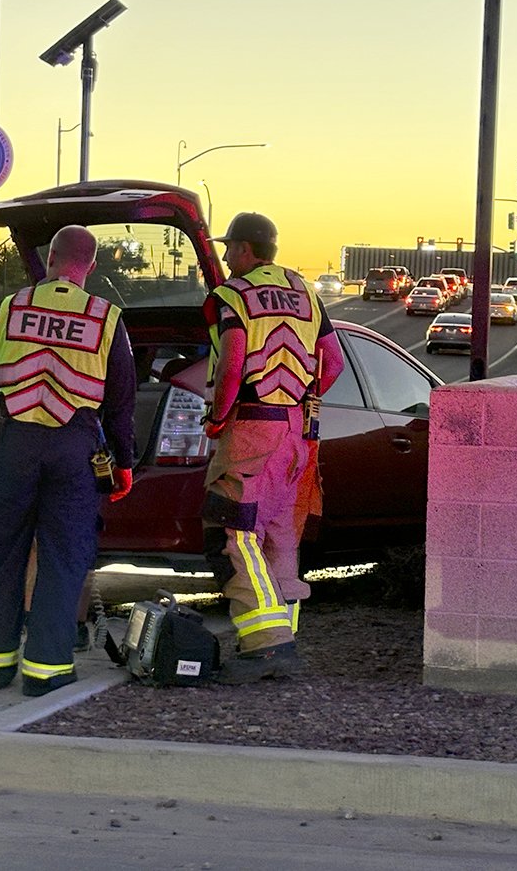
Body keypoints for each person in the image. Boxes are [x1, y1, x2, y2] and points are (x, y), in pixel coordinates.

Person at [0, 225, 136, 697]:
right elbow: (121, 402)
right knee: (63, 556)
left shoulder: (11, 308)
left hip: (16, 441)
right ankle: (46, 668)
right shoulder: (106, 317)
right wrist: (123, 465)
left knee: (1, 553)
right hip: (74, 447)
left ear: (51, 257)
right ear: (92, 266)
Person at [202, 212, 344, 681]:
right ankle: (284, 634)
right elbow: (334, 362)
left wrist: (218, 417)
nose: (224, 257)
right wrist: (303, 396)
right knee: (280, 531)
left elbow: (234, 358)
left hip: (251, 428)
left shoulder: (234, 296)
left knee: (237, 533)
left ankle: (267, 645)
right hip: (295, 432)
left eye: (229, 249)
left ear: (246, 249)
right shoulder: (305, 292)